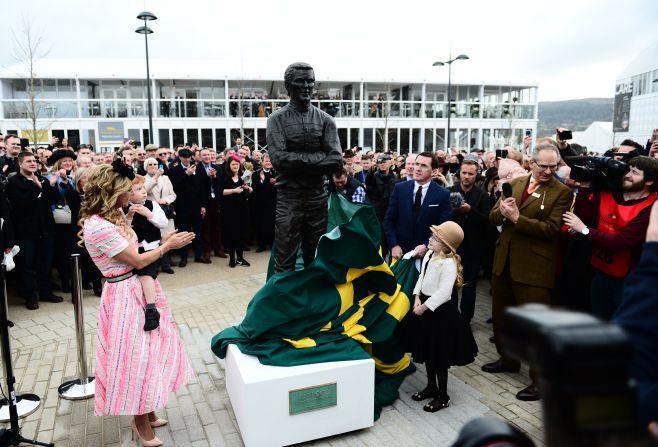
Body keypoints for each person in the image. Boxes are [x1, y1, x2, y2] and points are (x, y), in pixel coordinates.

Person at [80, 160, 195, 446]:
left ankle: (149, 411)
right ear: (110, 191)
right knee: (136, 359)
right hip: (123, 296)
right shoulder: (99, 227)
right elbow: (139, 259)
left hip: (137, 288)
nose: (129, 194)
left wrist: (161, 240)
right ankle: (140, 423)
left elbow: (135, 251)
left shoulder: (111, 217)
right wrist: (167, 245)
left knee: (150, 351)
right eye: (124, 190)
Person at [483, 142, 574, 401]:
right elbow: (492, 217)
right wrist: (502, 212)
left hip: (534, 268)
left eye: (553, 166)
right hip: (504, 262)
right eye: (542, 166)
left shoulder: (562, 192)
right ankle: (508, 359)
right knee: (502, 318)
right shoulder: (518, 183)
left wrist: (515, 218)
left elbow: (550, 230)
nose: (547, 171)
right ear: (531, 163)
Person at [267, 62, 342, 273]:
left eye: (310, 81)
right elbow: (279, 160)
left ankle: (314, 303)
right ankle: (283, 304)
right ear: (288, 85)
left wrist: (296, 163)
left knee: (316, 258)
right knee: (284, 260)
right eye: (301, 81)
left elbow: (335, 160)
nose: (307, 86)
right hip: (288, 199)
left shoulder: (326, 120)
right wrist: (319, 158)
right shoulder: (277, 119)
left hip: (317, 199)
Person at [563, 155, 658, 319]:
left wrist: (585, 230)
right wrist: (588, 182)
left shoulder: (651, 206)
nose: (627, 174)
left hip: (627, 279)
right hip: (600, 272)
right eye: (627, 170)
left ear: (649, 181)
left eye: (634, 172)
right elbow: (585, 213)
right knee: (598, 319)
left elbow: (622, 242)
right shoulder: (610, 192)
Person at [401, 222, 477, 412]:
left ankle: (443, 395)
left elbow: (445, 293)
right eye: (432, 236)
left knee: (439, 355)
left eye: (435, 238)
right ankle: (431, 386)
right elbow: (422, 277)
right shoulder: (429, 254)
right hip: (425, 308)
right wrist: (417, 296)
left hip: (440, 314)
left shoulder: (448, 263)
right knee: (427, 351)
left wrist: (425, 307)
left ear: (446, 245)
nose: (430, 239)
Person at [6, 151, 63, 309]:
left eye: (34, 161)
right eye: (29, 161)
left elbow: (55, 200)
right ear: (20, 163)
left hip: (46, 230)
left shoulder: (43, 179)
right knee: (27, 267)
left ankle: (45, 292)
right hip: (26, 232)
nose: (33, 163)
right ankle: (30, 297)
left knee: (44, 264)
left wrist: (51, 185)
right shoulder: (13, 182)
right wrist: (36, 188)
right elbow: (20, 205)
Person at [384, 152, 452, 261]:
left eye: (424, 166)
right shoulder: (399, 188)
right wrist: (393, 245)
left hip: (429, 256)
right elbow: (389, 220)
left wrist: (426, 246)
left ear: (434, 171)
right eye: (417, 164)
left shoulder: (442, 194)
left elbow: (443, 227)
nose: (417, 168)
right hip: (400, 253)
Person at [123, 175, 168, 331]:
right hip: (134, 248)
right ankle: (142, 308)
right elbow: (123, 230)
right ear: (128, 193)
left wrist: (148, 214)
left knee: (145, 273)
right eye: (138, 189)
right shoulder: (122, 208)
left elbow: (163, 223)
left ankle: (151, 308)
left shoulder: (152, 204)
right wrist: (129, 216)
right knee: (136, 279)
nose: (143, 191)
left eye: (143, 188)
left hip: (151, 248)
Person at [449, 158, 491, 322]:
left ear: (477, 175)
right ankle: (451, 318)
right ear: (459, 173)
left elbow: (487, 222)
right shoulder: (449, 191)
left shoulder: (483, 196)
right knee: (449, 285)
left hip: (472, 248)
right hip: (451, 247)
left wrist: (469, 211)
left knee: (469, 286)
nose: (466, 177)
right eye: (464, 173)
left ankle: (465, 320)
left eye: (470, 174)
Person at [66, 168, 102, 297]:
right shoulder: (72, 193)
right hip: (78, 231)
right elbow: (78, 212)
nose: (88, 180)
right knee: (77, 261)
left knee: (94, 259)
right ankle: (76, 291)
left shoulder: (95, 193)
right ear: (79, 180)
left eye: (90, 177)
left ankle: (98, 287)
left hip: (93, 229)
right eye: (85, 178)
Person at [168, 148, 205, 266]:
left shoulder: (197, 168)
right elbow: (175, 187)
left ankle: (199, 255)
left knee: (198, 232)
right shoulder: (174, 170)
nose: (187, 159)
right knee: (184, 232)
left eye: (189, 157)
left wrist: (202, 205)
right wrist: (186, 174)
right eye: (184, 157)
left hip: (196, 206)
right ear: (180, 157)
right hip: (182, 207)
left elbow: (200, 188)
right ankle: (183, 258)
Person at [47, 149, 77, 293]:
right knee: (62, 253)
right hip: (57, 220)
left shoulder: (71, 178)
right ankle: (65, 283)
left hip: (70, 219)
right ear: (58, 163)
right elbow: (55, 197)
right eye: (65, 161)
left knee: (69, 252)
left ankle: (70, 281)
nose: (68, 163)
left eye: (70, 160)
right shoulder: (50, 177)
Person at [143, 157, 177, 274]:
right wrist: (156, 177)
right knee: (155, 239)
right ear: (146, 167)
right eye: (150, 164)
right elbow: (146, 190)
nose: (153, 166)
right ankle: (155, 266)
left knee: (167, 237)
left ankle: (166, 265)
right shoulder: (143, 179)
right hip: (152, 212)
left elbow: (173, 195)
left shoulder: (166, 178)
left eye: (155, 164)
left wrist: (165, 200)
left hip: (166, 211)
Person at [220, 155, 252, 267]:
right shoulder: (224, 177)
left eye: (237, 164)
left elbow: (249, 190)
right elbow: (221, 192)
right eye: (233, 164)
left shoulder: (243, 176)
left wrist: (249, 188)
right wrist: (234, 190)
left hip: (242, 209)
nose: (235, 166)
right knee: (231, 235)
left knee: (241, 235)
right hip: (229, 210)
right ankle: (232, 259)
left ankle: (240, 258)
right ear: (229, 165)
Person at [251, 154, 277, 252]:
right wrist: (263, 181)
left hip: (273, 203)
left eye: (270, 161)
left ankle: (271, 244)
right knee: (261, 224)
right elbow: (255, 189)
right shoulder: (256, 174)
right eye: (266, 161)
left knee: (272, 224)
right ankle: (261, 245)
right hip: (260, 203)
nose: (268, 162)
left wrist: (273, 183)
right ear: (262, 162)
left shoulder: (276, 173)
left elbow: (277, 189)